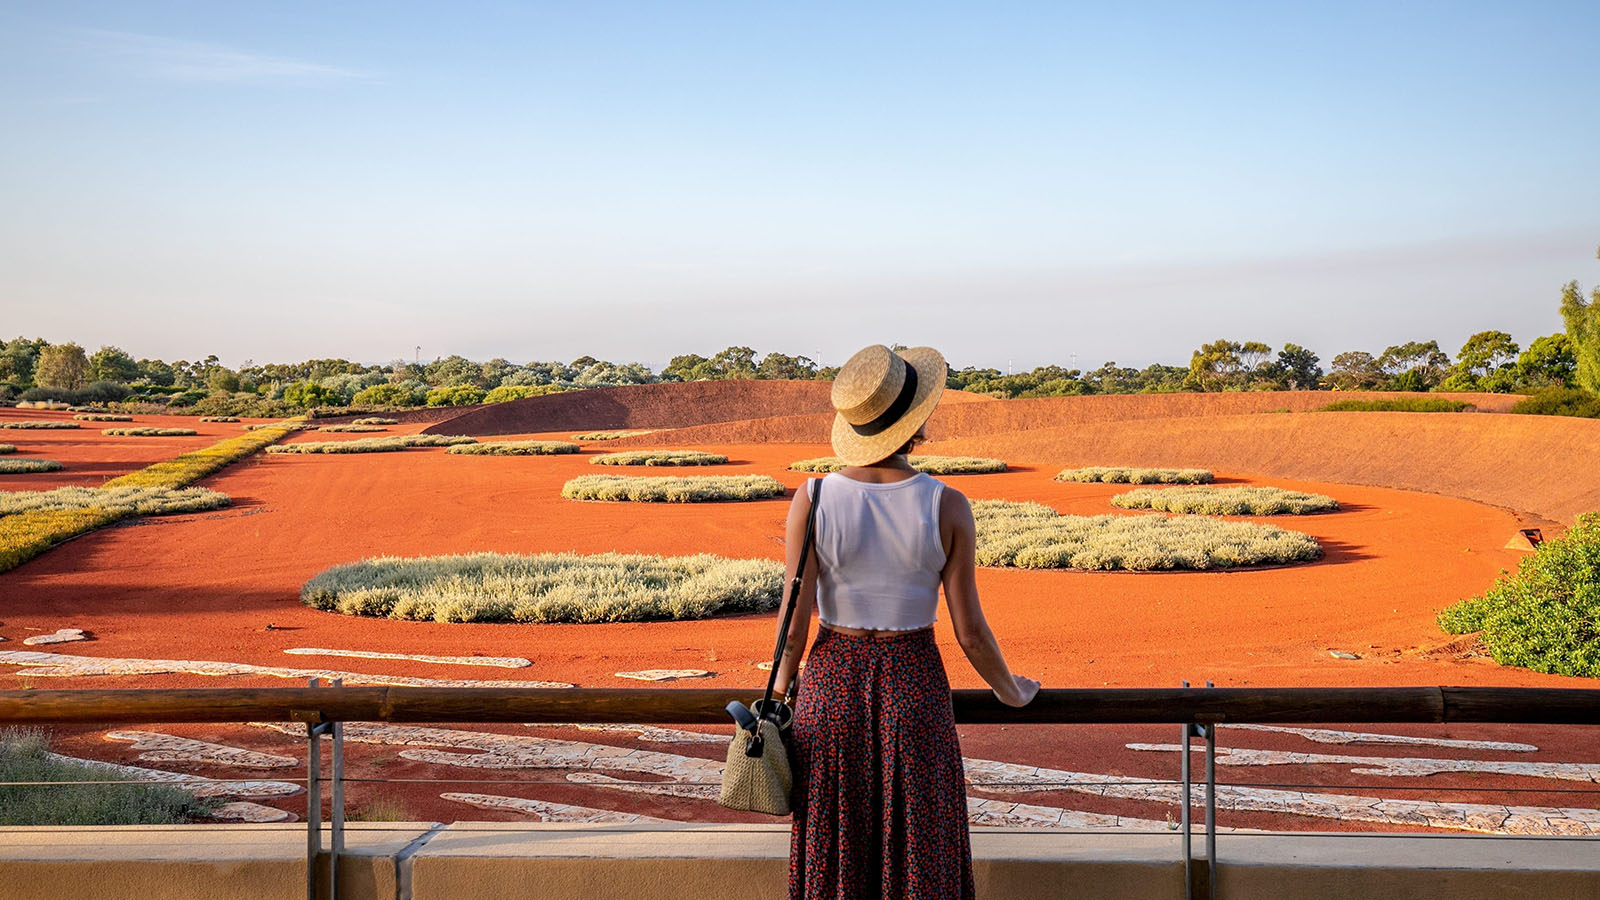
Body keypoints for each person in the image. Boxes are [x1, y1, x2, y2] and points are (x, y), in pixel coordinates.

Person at [771, 343, 1040, 900]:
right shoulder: (946, 504)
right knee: (921, 839)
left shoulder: (814, 497)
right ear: (915, 423)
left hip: (830, 684)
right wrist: (1010, 690)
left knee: (834, 839)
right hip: (913, 681)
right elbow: (969, 630)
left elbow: (794, 623)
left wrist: (779, 692)